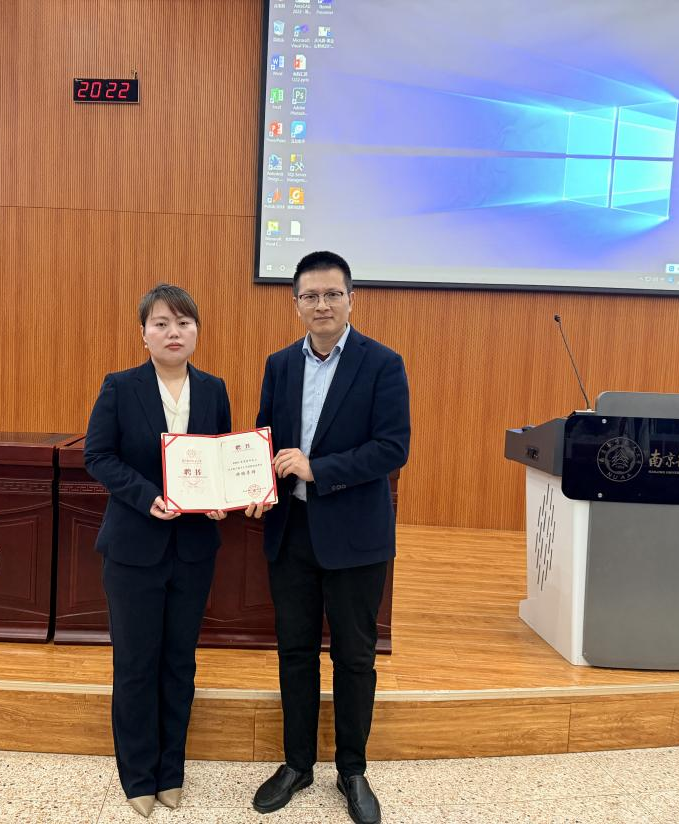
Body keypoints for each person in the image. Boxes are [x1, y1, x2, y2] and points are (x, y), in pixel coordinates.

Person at [246, 251, 410, 824]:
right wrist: (255, 482)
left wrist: (318, 468)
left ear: (351, 299)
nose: (322, 305)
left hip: (356, 538)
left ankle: (352, 769)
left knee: (354, 656)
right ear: (296, 303)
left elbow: (393, 448)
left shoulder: (382, 364)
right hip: (291, 532)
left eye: (332, 294)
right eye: (310, 296)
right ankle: (297, 764)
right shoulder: (279, 364)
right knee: (294, 651)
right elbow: (266, 440)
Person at [84, 284, 231, 819]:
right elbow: (98, 456)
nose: (174, 333)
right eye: (162, 324)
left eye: (184, 323)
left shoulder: (213, 390)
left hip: (193, 551)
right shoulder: (121, 387)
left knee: (179, 663)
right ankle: (138, 775)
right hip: (134, 549)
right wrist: (147, 497)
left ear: (197, 332)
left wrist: (220, 499)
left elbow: (218, 459)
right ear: (143, 334)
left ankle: (172, 772)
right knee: (136, 664)